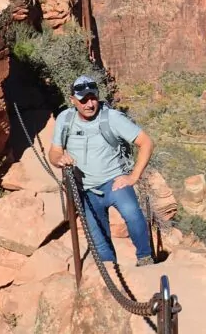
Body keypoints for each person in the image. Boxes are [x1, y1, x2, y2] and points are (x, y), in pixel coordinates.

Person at [48, 75, 155, 267]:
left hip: (114, 182)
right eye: (83, 100)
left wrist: (133, 176)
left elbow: (145, 142)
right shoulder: (65, 119)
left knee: (132, 214)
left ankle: (145, 258)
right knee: (98, 238)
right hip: (85, 190)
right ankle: (110, 273)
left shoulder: (112, 118)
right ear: (72, 100)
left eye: (93, 98)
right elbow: (55, 151)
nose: (89, 104)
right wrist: (59, 160)